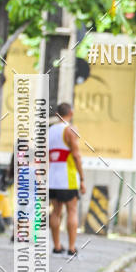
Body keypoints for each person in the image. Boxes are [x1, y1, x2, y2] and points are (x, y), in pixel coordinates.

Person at [49, 102, 86, 257]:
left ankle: (57, 246)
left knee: (55, 211)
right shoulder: (70, 130)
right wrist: (82, 178)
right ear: (70, 113)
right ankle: (71, 247)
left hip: (52, 178)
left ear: (57, 114)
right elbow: (76, 155)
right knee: (72, 211)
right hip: (68, 177)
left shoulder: (49, 131)